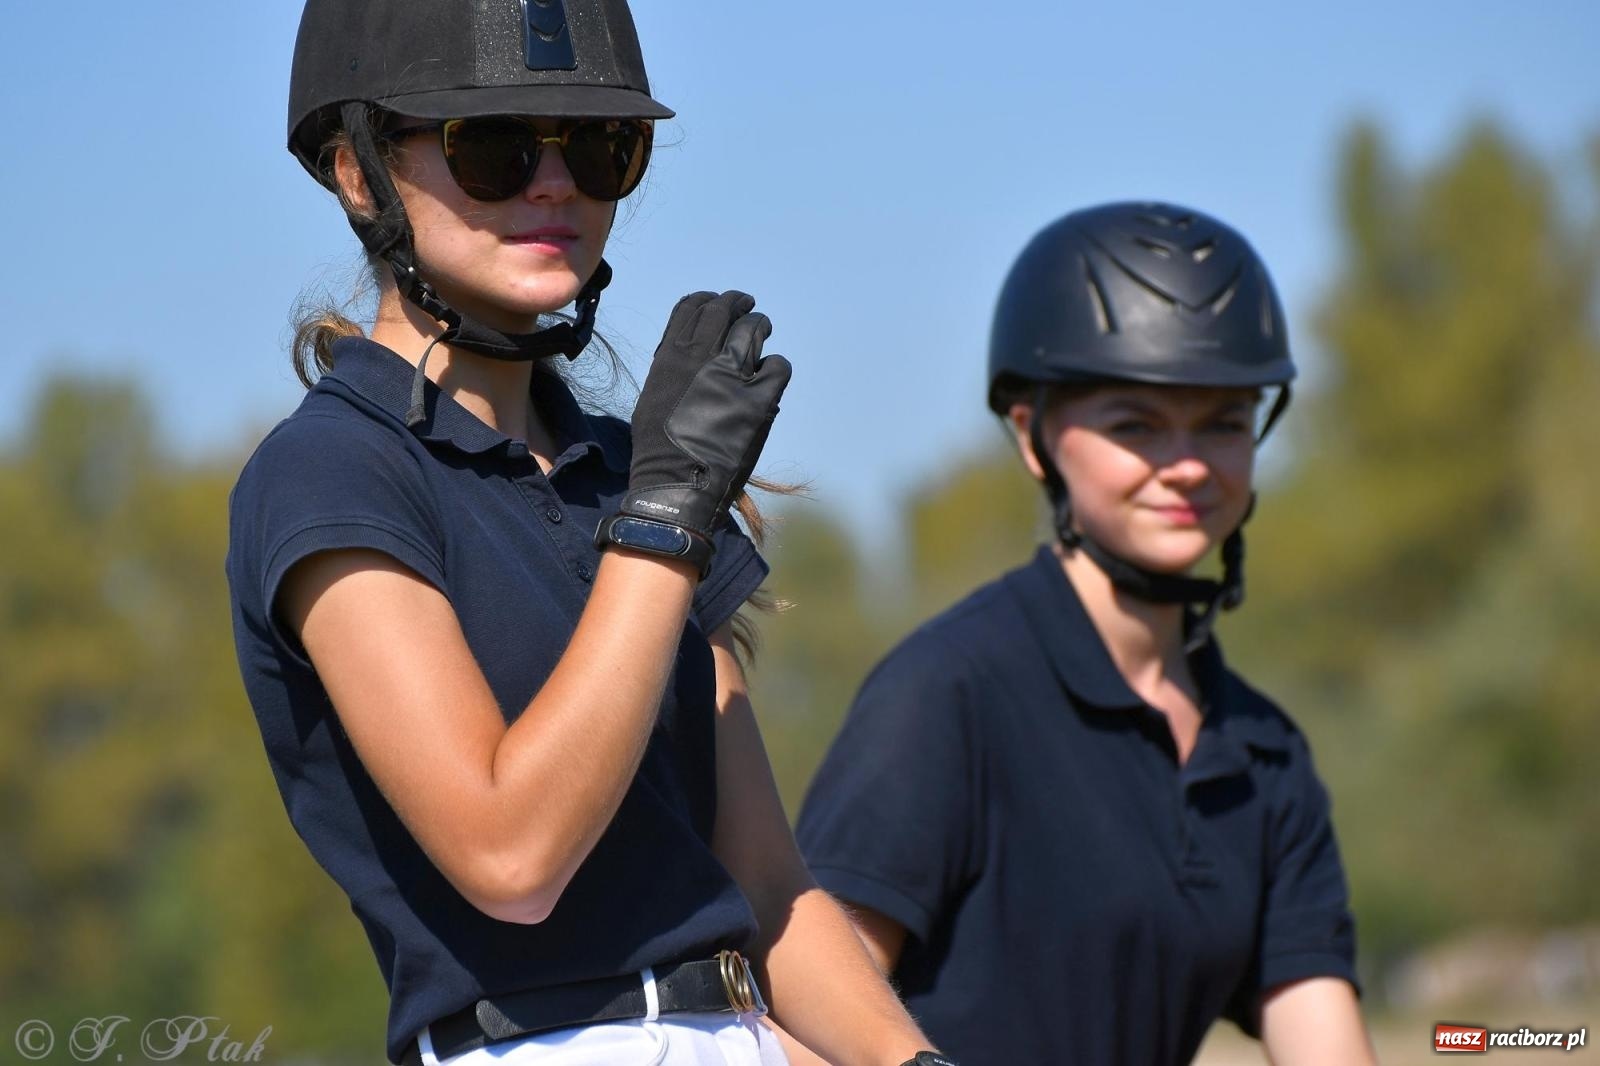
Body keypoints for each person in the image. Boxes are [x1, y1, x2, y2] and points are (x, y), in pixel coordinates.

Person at [226, 2, 950, 1064]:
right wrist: (662, 526)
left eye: (601, 145)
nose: (554, 183)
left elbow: (767, 887)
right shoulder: (332, 471)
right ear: (355, 170)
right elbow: (509, 855)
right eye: (496, 146)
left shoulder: (625, 465)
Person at [796, 202, 1378, 1065]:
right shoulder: (950, 693)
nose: (1188, 463)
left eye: (1223, 420)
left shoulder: (1265, 756)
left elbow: (1324, 1041)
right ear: (1035, 438)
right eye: (1135, 425)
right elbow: (808, 1025)